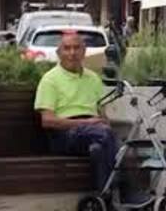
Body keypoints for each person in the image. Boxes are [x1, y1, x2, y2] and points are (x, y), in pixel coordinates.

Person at [34, 31, 118, 195]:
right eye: (67, 48)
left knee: (100, 149)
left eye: (76, 48)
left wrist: (103, 122)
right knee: (105, 136)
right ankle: (122, 191)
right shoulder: (50, 80)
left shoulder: (93, 78)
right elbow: (47, 121)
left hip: (95, 132)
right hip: (63, 134)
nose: (72, 53)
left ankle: (104, 197)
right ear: (59, 53)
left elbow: (102, 114)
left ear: (84, 52)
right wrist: (86, 123)